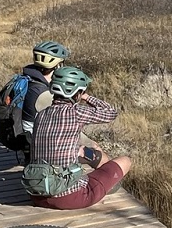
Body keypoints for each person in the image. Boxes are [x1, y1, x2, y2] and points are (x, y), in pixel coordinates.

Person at [23, 65, 133, 210]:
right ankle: (106, 184)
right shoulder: (76, 112)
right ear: (77, 93)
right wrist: (87, 97)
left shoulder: (41, 115)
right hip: (71, 197)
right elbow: (111, 113)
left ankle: (101, 177)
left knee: (86, 151)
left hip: (37, 194)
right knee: (126, 160)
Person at [0, 40, 69, 160]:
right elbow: (66, 122)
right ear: (57, 66)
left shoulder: (28, 79)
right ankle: (35, 157)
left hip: (15, 135)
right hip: (29, 141)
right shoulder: (42, 93)